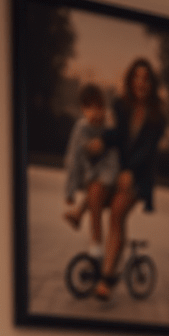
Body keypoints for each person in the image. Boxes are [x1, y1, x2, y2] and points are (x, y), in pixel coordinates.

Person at [87, 58, 166, 302]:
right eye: (136, 77)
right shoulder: (121, 105)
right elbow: (119, 134)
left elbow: (147, 150)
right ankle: (100, 252)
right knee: (96, 193)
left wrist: (130, 171)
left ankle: (107, 277)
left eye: (146, 79)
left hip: (140, 176)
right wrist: (102, 140)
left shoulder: (157, 117)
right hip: (120, 170)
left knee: (119, 210)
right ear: (130, 80)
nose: (140, 82)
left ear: (151, 84)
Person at [62, 84, 119, 255]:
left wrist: (106, 180)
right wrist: (69, 191)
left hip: (111, 177)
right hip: (91, 177)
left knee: (95, 189)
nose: (95, 113)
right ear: (83, 110)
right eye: (89, 108)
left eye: (99, 107)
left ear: (105, 108)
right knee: (94, 188)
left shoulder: (109, 128)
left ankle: (96, 243)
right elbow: (72, 159)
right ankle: (81, 218)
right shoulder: (81, 128)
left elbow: (115, 160)